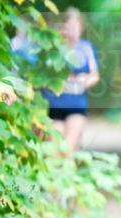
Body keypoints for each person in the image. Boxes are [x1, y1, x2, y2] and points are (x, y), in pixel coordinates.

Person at [42, 8, 100, 152]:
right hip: (55, 106)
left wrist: (83, 82)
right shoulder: (54, 48)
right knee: (54, 149)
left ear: (81, 27)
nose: (73, 30)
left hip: (77, 106)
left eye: (76, 26)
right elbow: (43, 75)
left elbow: (95, 75)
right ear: (64, 27)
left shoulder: (86, 48)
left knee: (67, 148)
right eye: (69, 26)